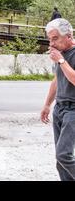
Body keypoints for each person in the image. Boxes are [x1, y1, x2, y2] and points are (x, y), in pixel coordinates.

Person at [40, 18, 75, 181]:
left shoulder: (68, 56)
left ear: (68, 36)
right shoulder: (59, 56)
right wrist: (47, 104)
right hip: (60, 108)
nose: (51, 43)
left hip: (73, 110)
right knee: (59, 161)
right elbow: (56, 79)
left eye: (55, 38)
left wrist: (61, 60)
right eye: (50, 39)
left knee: (63, 155)